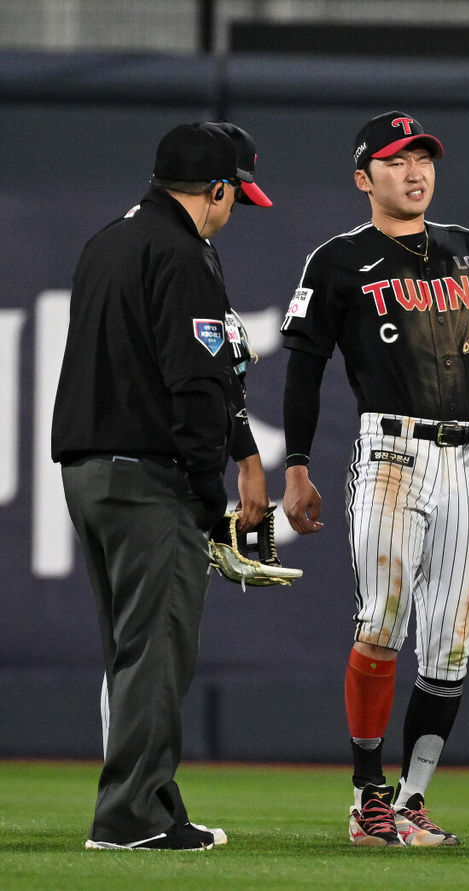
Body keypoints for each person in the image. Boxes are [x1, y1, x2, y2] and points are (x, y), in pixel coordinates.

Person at [280, 111, 469, 847]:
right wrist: (299, 465)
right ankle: (367, 795)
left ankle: (411, 801)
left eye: (424, 159)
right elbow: (304, 369)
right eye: (397, 160)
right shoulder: (337, 260)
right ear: (362, 177)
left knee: (451, 645)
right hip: (393, 455)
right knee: (381, 622)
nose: (416, 172)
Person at [52, 121, 269, 850]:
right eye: (236, 194)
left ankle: (150, 803)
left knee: (132, 650)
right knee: (156, 649)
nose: (236, 208)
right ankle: (132, 817)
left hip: (88, 472)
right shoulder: (183, 253)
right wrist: (212, 502)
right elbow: (197, 383)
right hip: (148, 476)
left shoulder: (107, 242)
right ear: (214, 190)